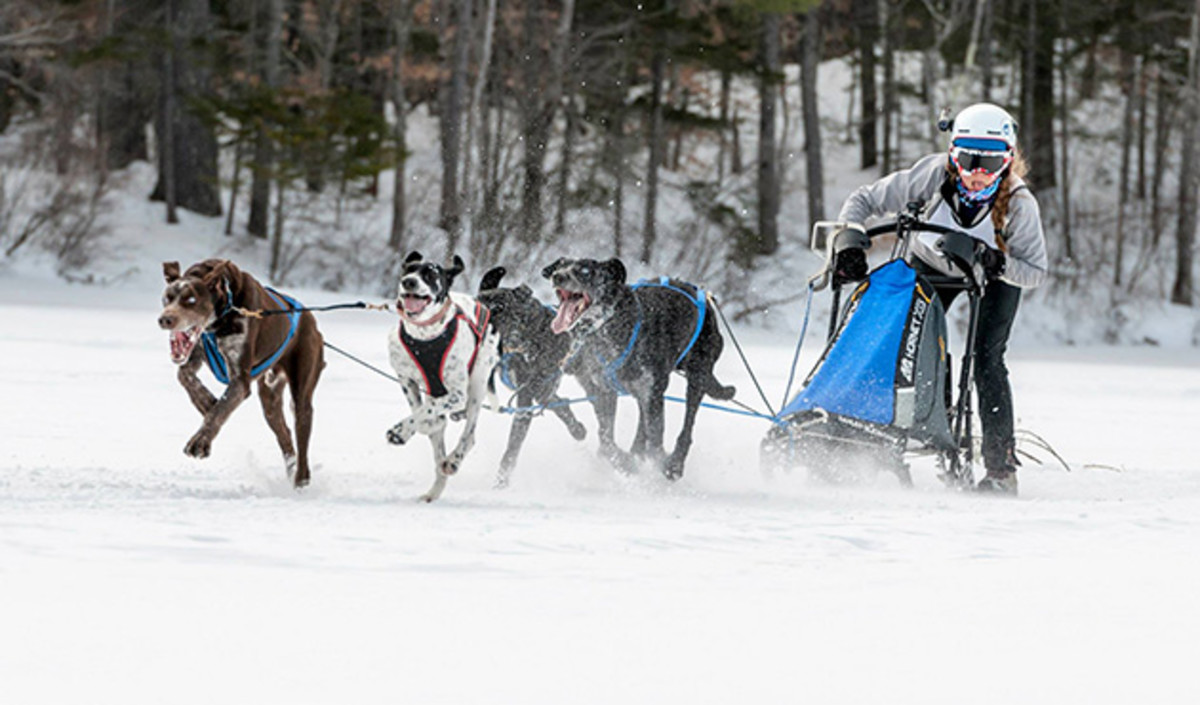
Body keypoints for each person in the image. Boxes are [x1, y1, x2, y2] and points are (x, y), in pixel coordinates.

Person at [833, 102, 1048, 495]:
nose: (977, 172)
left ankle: (1000, 471)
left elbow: (1034, 270)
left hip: (992, 276)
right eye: (968, 158)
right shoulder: (932, 174)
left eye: (991, 161)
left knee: (987, 360)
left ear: (1009, 159)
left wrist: (993, 259)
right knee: (911, 346)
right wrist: (849, 237)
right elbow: (863, 199)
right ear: (953, 154)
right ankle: (922, 426)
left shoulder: (1019, 203)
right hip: (930, 262)